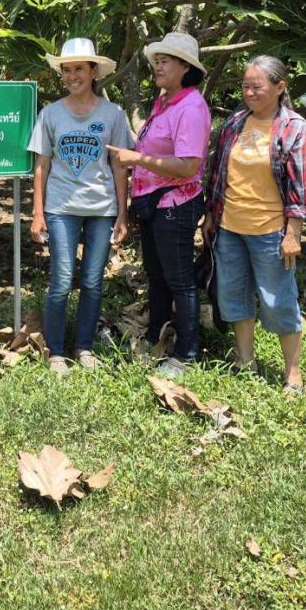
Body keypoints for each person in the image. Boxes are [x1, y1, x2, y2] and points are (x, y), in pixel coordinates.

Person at [206, 55, 306, 392]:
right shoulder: (235, 122)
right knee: (233, 295)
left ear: (280, 87)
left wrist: (293, 234)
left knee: (278, 300)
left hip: (270, 231)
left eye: (257, 86)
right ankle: (245, 360)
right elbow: (218, 172)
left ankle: (293, 373)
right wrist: (211, 215)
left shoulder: (295, 128)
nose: (249, 92)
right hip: (230, 226)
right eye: (245, 86)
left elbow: (299, 188)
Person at [107, 31, 211, 378]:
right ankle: (156, 337)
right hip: (154, 203)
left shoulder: (191, 107)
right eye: (157, 61)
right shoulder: (164, 102)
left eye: (165, 61)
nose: (158, 67)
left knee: (179, 280)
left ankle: (186, 353)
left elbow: (188, 166)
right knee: (157, 276)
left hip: (176, 205)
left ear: (185, 67)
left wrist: (137, 158)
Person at [28, 37, 133, 374]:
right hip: (61, 207)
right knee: (61, 280)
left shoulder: (113, 114)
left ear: (93, 72)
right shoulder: (51, 113)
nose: (72, 76)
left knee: (91, 281)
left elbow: (119, 166)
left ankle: (84, 347)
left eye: (78, 69)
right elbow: (42, 165)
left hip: (102, 208)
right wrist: (38, 213)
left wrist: (123, 213)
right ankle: (56, 351)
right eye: (66, 70)